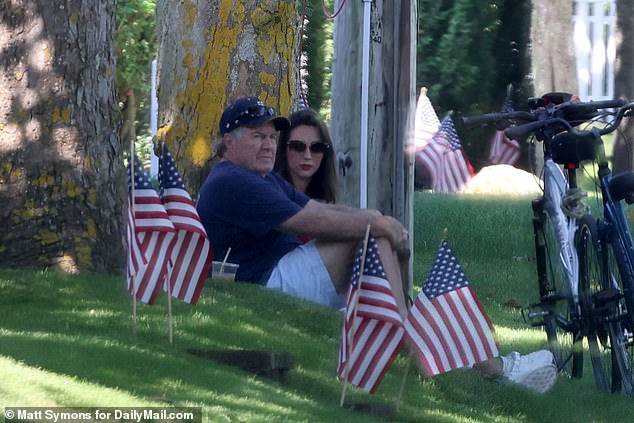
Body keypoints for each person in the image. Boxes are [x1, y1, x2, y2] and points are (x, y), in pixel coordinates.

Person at [196, 96, 557, 393]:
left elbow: (317, 208)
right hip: (264, 283)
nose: (268, 145)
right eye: (258, 137)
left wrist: (371, 216)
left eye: (272, 138)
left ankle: (485, 362)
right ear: (230, 142)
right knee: (373, 236)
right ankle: (423, 347)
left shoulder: (259, 179)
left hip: (280, 274)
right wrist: (377, 221)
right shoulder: (232, 180)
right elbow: (309, 221)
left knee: (376, 238)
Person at [274, 108, 338, 203]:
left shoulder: (327, 199)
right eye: (298, 146)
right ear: (284, 149)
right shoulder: (270, 193)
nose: (307, 156)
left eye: (316, 147)